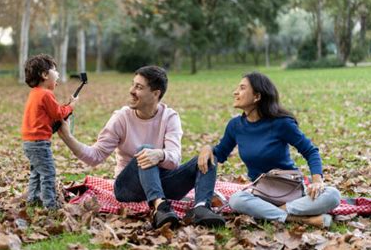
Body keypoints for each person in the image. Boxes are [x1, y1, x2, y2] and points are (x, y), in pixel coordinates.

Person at [56, 66, 225, 228]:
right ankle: (160, 208)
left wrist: (159, 155)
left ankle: (202, 208)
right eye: (132, 84)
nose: (131, 90)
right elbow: (95, 156)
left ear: (155, 93)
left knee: (209, 156)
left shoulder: (170, 117)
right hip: (128, 187)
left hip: (162, 183)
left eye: (138, 87)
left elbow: (174, 160)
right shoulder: (121, 118)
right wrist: (67, 137)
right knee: (144, 149)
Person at [198, 72, 341, 228]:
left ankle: (278, 213)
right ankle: (300, 219)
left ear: (257, 97)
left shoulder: (281, 123)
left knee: (333, 195)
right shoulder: (235, 126)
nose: (235, 92)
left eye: (242, 88)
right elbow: (220, 153)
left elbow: (310, 151)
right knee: (236, 200)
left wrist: (317, 181)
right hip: (261, 194)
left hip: (291, 192)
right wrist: (207, 147)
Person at [21, 54, 78, 209]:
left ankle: (33, 200)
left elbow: (51, 113)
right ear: (45, 75)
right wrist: (71, 106)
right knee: (48, 173)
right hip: (40, 143)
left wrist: (65, 108)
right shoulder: (46, 94)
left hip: (29, 142)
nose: (58, 74)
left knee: (37, 172)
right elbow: (58, 113)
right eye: (55, 71)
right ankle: (50, 204)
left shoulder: (35, 93)